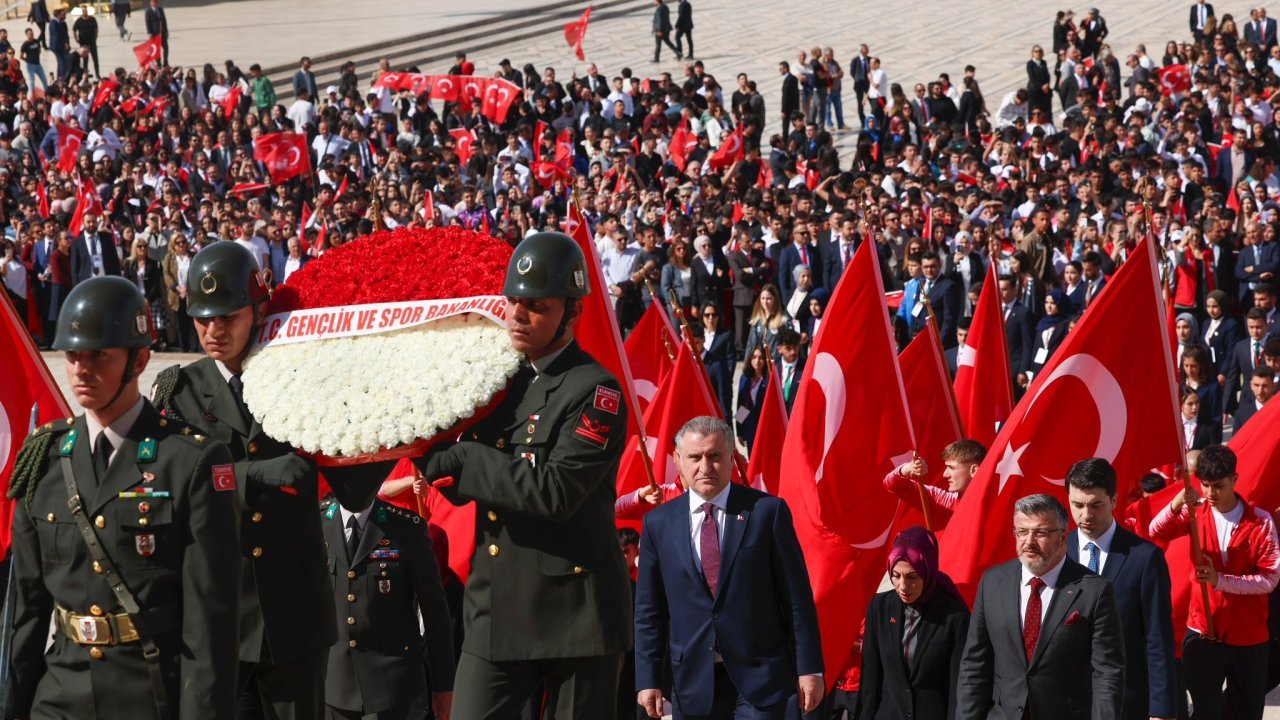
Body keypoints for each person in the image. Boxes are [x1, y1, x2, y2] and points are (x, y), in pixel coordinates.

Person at [411, 232, 632, 719]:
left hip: (575, 614)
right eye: (512, 302)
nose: (518, 315)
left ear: (572, 313)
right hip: (496, 608)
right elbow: (435, 448)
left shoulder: (595, 391)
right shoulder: (494, 379)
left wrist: (466, 461)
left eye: (536, 306)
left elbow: (555, 492)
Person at [6, 276, 240, 719]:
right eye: (73, 355)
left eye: (99, 356)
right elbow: (26, 613)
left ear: (139, 361)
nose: (81, 369)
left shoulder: (190, 461)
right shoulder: (45, 457)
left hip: (149, 694)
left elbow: (210, 621)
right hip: (58, 695)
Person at [150, 242, 335, 718]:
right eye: (202, 318)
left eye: (228, 317)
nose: (213, 331)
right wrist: (251, 475)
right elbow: (163, 489)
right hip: (219, 615)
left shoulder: (301, 376)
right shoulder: (179, 392)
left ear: (259, 309)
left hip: (293, 612)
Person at [634, 415, 824, 719]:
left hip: (761, 679)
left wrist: (810, 668)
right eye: (695, 457)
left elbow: (796, 598)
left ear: (732, 458)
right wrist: (647, 679)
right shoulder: (658, 524)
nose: (705, 467)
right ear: (678, 460)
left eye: (715, 456)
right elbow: (649, 611)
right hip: (693, 684)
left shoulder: (767, 513)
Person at [956, 493, 1125, 720]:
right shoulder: (993, 582)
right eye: (1022, 532)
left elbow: (1107, 673)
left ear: (1063, 537)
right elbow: (974, 665)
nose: (1029, 542)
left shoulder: (1094, 591)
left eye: (1040, 533)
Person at [1149, 445, 1280, 720]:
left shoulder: (1261, 521)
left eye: (1218, 486)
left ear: (1235, 479)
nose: (1210, 494)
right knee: (1205, 712)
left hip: (1248, 636)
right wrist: (1175, 504)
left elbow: (1269, 579)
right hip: (1202, 631)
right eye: (1205, 485)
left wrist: (1220, 580)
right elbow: (1155, 530)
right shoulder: (1195, 512)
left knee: (1246, 712)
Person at [320, 491, 455, 720]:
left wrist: (444, 685)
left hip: (391, 686)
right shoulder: (316, 522)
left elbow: (435, 612)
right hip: (333, 684)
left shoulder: (406, 527)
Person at [1064, 458, 1177, 720]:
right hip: (1066, 702)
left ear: (1114, 500)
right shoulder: (1057, 552)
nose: (1086, 515)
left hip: (1126, 701)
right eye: (1077, 505)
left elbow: (1158, 638)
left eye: (1096, 505)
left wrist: (1161, 709)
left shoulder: (1144, 558)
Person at [857, 527, 970, 720]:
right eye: (896, 575)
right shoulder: (879, 608)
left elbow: (958, 687)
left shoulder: (955, 616)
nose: (902, 586)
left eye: (911, 577)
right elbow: (870, 679)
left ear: (927, 571)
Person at [883, 439, 985, 528]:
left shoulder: (994, 505)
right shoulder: (942, 500)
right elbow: (892, 485)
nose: (945, 474)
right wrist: (908, 469)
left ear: (974, 470)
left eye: (951, 467)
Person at [70, 212, 121, 285]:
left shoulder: (106, 237)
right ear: (83, 223)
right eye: (88, 222)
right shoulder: (77, 243)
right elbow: (74, 268)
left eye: (93, 221)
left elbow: (114, 261)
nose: (91, 224)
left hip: (106, 279)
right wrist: (76, 286)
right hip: (86, 282)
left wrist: (117, 281)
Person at [1235, 367, 1275, 432]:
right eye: (1256, 385)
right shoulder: (1241, 415)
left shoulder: (1277, 411)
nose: (1260, 391)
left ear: (1273, 386)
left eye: (1265, 386)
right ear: (1251, 385)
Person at [72, 6, 99, 78]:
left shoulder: (92, 19)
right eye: (83, 11)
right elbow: (74, 29)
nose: (85, 12)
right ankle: (85, 74)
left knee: (95, 59)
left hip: (92, 41)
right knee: (85, 60)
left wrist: (95, 36)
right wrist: (75, 38)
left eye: (86, 10)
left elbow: (96, 28)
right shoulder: (79, 20)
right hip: (83, 42)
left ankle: (97, 74)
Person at [144, 0, 168, 65]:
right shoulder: (148, 11)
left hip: (162, 32)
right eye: (152, 2)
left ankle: (165, 61)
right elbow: (147, 23)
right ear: (150, 3)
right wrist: (149, 33)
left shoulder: (160, 10)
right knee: (156, 49)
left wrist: (166, 30)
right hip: (154, 33)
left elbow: (164, 21)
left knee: (165, 47)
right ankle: (158, 62)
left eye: (155, 2)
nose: (154, 3)